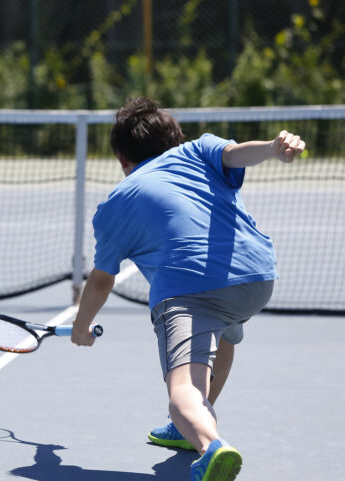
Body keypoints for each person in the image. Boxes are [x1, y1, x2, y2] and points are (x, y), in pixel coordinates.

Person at [70, 97, 305, 481]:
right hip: (257, 276)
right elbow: (236, 153)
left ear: (121, 158)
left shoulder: (115, 204)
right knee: (225, 335)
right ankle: (191, 426)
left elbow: (100, 280)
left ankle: (209, 443)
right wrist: (273, 148)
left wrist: (81, 327)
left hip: (191, 290)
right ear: (175, 140)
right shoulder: (198, 150)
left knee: (182, 390)